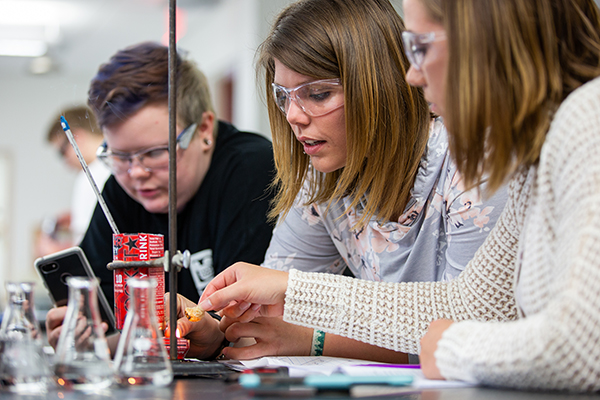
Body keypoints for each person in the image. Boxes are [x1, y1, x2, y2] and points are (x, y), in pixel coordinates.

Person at [195, 0, 600, 392]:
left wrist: (448, 347)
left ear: (485, 42)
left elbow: (575, 349)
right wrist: (227, 323)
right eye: (285, 97)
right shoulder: (540, 151)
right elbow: (471, 305)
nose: (412, 75)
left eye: (421, 47)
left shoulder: (583, 118)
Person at [172, 0, 506, 363]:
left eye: (318, 94)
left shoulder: (477, 163)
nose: (294, 117)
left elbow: (469, 336)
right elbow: (267, 326)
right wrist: (215, 333)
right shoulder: (325, 182)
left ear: (381, 85)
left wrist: (309, 331)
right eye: (283, 97)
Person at [45, 41, 276, 359]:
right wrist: (79, 330)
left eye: (155, 153)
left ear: (204, 129)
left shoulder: (252, 170)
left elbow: (249, 330)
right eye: (119, 156)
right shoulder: (119, 189)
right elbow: (97, 308)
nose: (136, 172)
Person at [35, 106, 111, 257]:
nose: (64, 162)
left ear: (76, 137)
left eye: (62, 152)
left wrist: (53, 252)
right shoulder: (117, 166)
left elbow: (91, 251)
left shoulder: (92, 175)